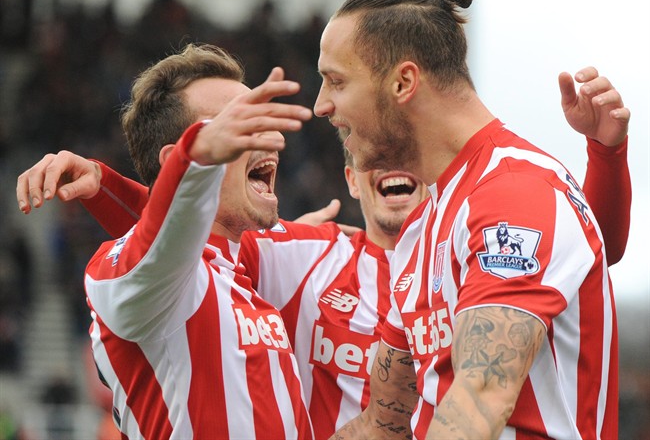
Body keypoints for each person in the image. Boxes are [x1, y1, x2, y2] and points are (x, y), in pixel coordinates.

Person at [17, 62, 630, 440]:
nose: (394, 170)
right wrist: (123, 186)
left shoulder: (466, 250)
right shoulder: (295, 256)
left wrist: (605, 157)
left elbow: (579, 250)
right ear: (349, 178)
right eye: (375, 159)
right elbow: (172, 249)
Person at [312, 0, 629, 439]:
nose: (322, 105)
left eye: (336, 82)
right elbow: (385, 424)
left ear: (403, 81)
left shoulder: (514, 194)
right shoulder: (423, 225)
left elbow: (479, 403)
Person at [21, 43, 316, 439]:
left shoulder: (245, 269)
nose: (270, 137)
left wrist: (106, 186)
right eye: (239, 127)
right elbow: (157, 249)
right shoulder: (124, 273)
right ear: (180, 157)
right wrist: (198, 158)